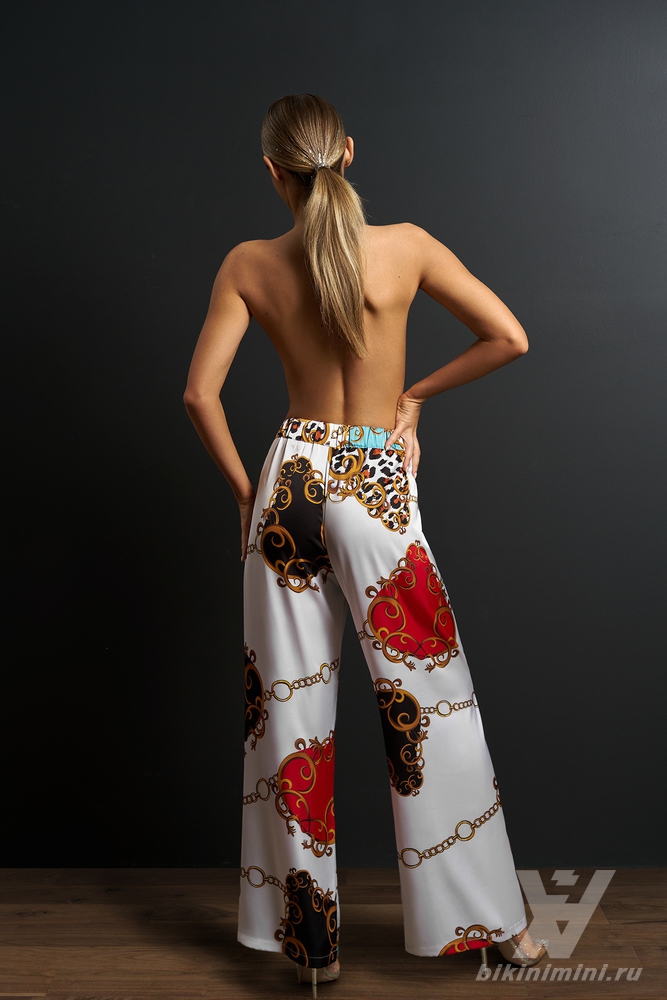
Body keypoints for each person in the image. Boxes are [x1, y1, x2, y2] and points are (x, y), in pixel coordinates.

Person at [184, 93, 547, 995]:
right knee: (430, 703)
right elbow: (508, 337)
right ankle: (497, 927)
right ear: (347, 153)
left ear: (272, 172)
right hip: (374, 476)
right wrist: (411, 399)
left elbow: (199, 395)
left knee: (286, 717)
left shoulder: (247, 262)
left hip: (291, 477)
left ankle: (313, 945)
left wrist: (247, 497)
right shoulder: (407, 246)